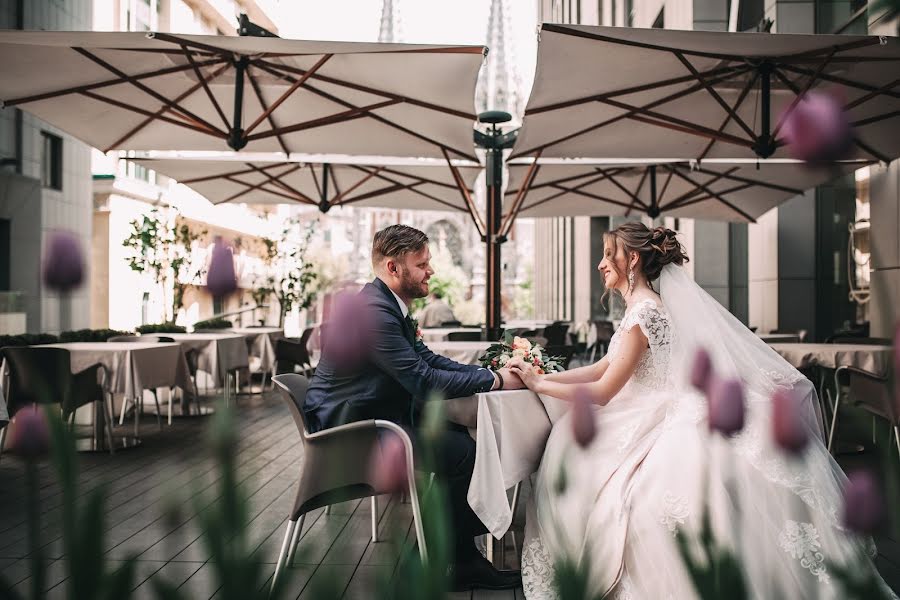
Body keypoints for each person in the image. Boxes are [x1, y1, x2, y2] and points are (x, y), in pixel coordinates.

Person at [508, 222, 897, 599]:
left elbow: (607, 390)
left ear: (634, 261)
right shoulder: (638, 309)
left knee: (572, 451)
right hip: (644, 405)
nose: (601, 263)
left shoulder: (645, 312)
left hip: (647, 411)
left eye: (610, 254)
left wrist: (540, 384)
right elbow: (599, 368)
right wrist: (547, 375)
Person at [304, 224, 524, 591]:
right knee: (466, 453)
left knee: (461, 435)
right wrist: (497, 382)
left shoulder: (384, 305)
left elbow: (428, 360)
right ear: (393, 267)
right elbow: (423, 380)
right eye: (422, 264)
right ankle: (461, 563)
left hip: (372, 418)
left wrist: (491, 373)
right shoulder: (375, 312)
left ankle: (454, 547)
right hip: (351, 435)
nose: (431, 271)